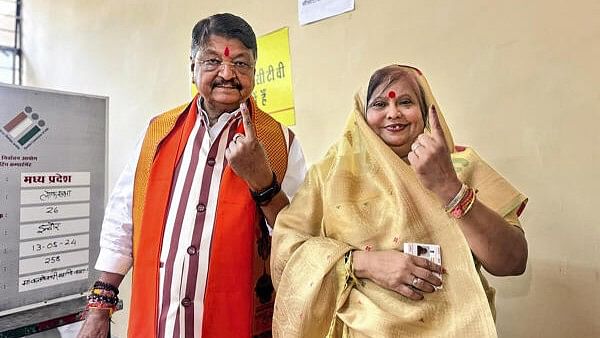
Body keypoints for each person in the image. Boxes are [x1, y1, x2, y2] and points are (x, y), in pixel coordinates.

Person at [78, 13, 306, 338]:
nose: (227, 73)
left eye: (241, 64)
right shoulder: (157, 132)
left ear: (254, 72)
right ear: (193, 67)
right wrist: (99, 307)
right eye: (212, 61)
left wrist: (263, 181)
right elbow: (123, 220)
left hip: (240, 323)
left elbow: (299, 238)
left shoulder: (279, 142)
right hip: (159, 322)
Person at [270, 65, 528, 337]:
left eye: (405, 102)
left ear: (427, 109)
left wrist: (448, 187)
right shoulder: (331, 176)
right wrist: (361, 263)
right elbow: (287, 252)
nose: (393, 113)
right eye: (380, 103)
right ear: (361, 115)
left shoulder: (462, 166)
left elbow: (513, 261)